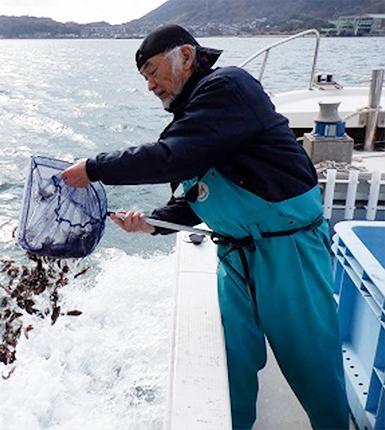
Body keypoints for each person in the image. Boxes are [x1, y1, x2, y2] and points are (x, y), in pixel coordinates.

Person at [61, 25, 349, 430]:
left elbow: (170, 158)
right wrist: (152, 224)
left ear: (186, 56)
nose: (150, 85)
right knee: (231, 367)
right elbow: (198, 194)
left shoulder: (229, 87)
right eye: (144, 78)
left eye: (153, 70)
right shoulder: (192, 116)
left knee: (313, 364)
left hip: (289, 252)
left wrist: (94, 168)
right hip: (234, 256)